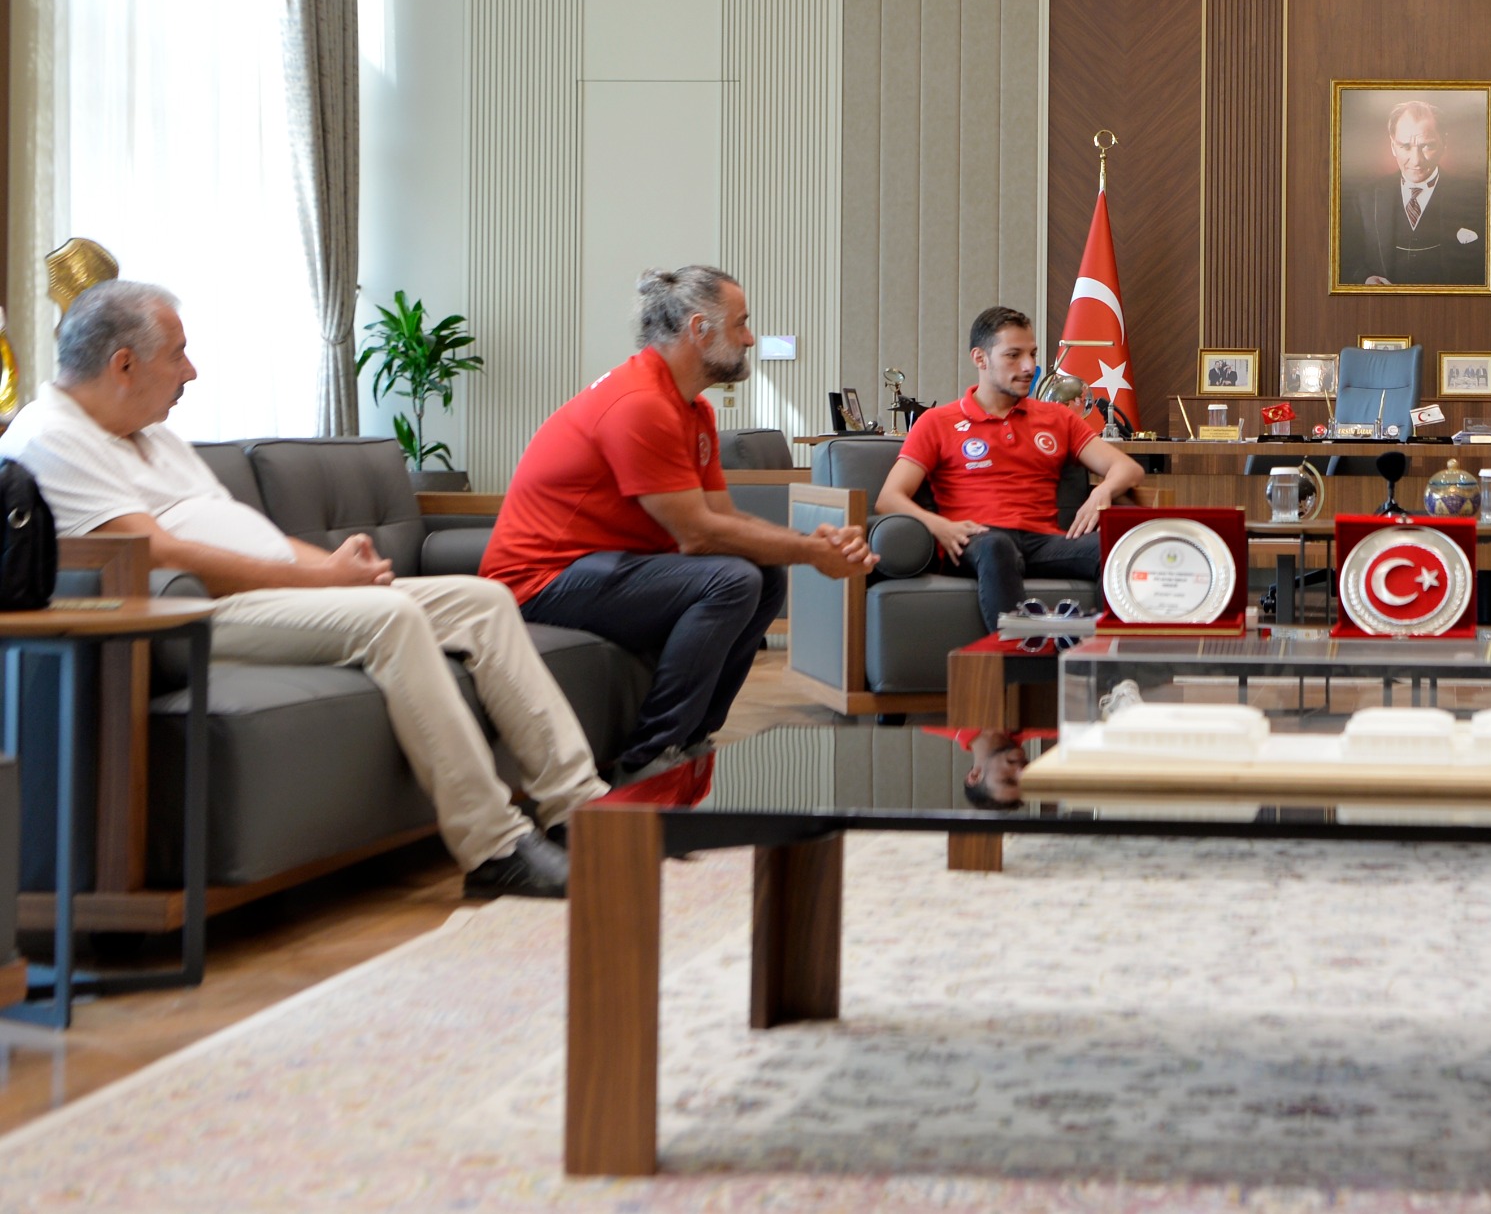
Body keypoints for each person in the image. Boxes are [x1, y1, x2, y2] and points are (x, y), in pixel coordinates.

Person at [0, 283, 601, 899]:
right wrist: (326, 579)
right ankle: (495, 846)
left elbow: (251, 537)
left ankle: (583, 810)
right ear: (123, 364)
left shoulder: (153, 435)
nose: (191, 371)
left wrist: (343, 567)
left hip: (271, 594)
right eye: (177, 354)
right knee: (389, 617)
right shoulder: (51, 436)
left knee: (482, 602)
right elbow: (160, 554)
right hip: (193, 610)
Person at [484, 267, 877, 785]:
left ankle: (692, 740)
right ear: (699, 329)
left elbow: (722, 518)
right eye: (741, 324)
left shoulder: (691, 410)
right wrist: (811, 552)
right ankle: (650, 757)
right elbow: (698, 536)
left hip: (605, 567)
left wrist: (806, 543)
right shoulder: (640, 403)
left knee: (763, 575)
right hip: (540, 583)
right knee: (732, 579)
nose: (750, 339)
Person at [876, 305, 1145, 632]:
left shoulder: (1057, 418)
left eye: (1032, 354)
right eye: (1014, 356)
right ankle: (1017, 652)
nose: (1029, 366)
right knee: (996, 545)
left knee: (1120, 544)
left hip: (1044, 542)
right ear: (980, 358)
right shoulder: (938, 421)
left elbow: (1127, 469)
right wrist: (940, 526)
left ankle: (1113, 655)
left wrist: (1103, 491)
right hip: (977, 540)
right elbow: (889, 498)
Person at [1340, 99, 1488, 288]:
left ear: (1444, 143)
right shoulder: (1365, 198)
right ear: (1393, 146)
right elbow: (1347, 259)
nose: (1416, 160)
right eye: (1405, 146)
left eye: (1427, 146)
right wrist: (1366, 278)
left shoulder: (1475, 197)